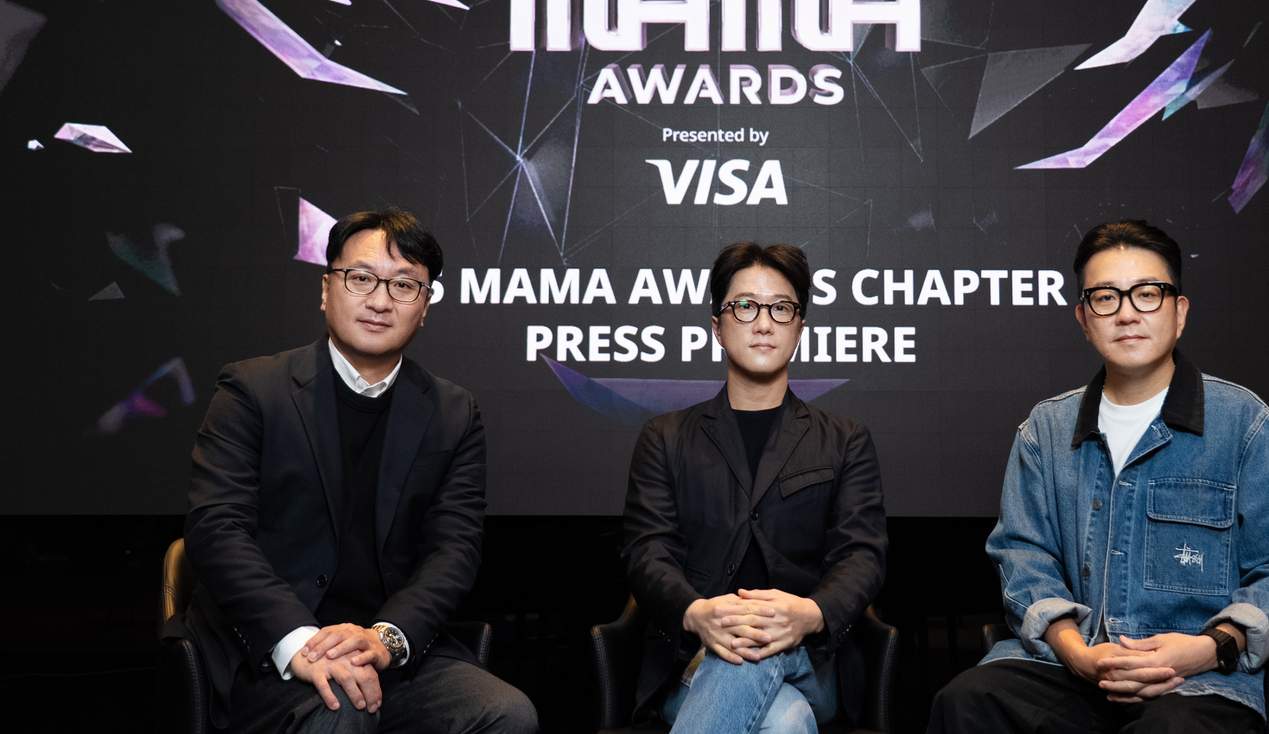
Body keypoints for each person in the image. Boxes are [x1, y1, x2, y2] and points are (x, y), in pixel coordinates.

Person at [928, 220, 1269, 733]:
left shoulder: (1244, 423)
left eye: (1147, 294)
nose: (1126, 314)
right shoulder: (1045, 430)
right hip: (1073, 668)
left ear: (1179, 312)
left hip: (1200, 679)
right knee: (966, 700)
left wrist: (1211, 647)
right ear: (1083, 318)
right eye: (1105, 298)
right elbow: (1022, 555)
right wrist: (1076, 653)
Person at [165, 208, 537, 734]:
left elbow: (453, 549)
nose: (381, 300)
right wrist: (299, 641)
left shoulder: (455, 412)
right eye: (361, 278)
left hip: (387, 650)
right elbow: (217, 530)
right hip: (272, 647)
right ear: (325, 289)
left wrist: (384, 639)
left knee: (508, 715)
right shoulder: (253, 390)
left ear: (426, 306)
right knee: (343, 709)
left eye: (405, 285)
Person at [621, 242, 888, 733]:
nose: (763, 323)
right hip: (693, 663)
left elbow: (862, 556)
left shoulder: (845, 440)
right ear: (718, 326)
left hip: (811, 660)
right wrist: (697, 613)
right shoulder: (665, 437)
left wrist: (809, 614)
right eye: (745, 306)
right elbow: (647, 552)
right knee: (784, 722)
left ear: (799, 329)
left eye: (781, 308)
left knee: (756, 646)